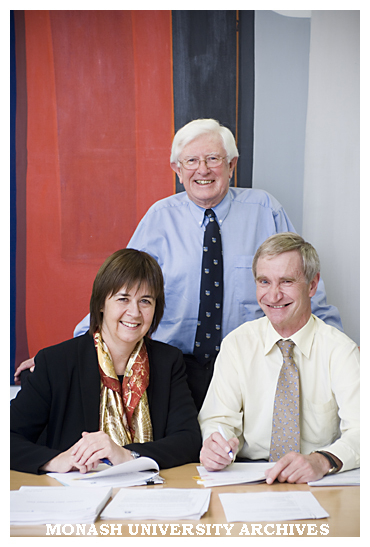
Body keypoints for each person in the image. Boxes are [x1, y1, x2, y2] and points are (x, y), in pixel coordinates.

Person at [15, 119, 342, 411]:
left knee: (245, 458)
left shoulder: (264, 209)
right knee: (178, 454)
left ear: (232, 165)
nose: (203, 170)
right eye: (192, 161)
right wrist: (65, 356)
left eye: (213, 159)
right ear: (177, 169)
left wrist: (339, 353)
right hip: (172, 369)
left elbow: (302, 286)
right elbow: (121, 289)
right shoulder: (159, 218)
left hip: (250, 365)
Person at [11, 249, 201, 474]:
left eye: (145, 301)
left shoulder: (169, 362)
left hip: (148, 497)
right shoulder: (56, 363)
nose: (135, 312)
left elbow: (188, 440)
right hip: (75, 498)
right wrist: (54, 461)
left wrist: (128, 455)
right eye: (123, 299)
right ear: (101, 303)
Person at [198, 233, 359, 484]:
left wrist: (323, 460)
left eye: (286, 282)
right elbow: (218, 420)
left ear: (312, 285)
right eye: (264, 281)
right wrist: (216, 444)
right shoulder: (236, 345)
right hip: (246, 478)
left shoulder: (341, 351)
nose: (273, 296)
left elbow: (362, 430)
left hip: (317, 478)